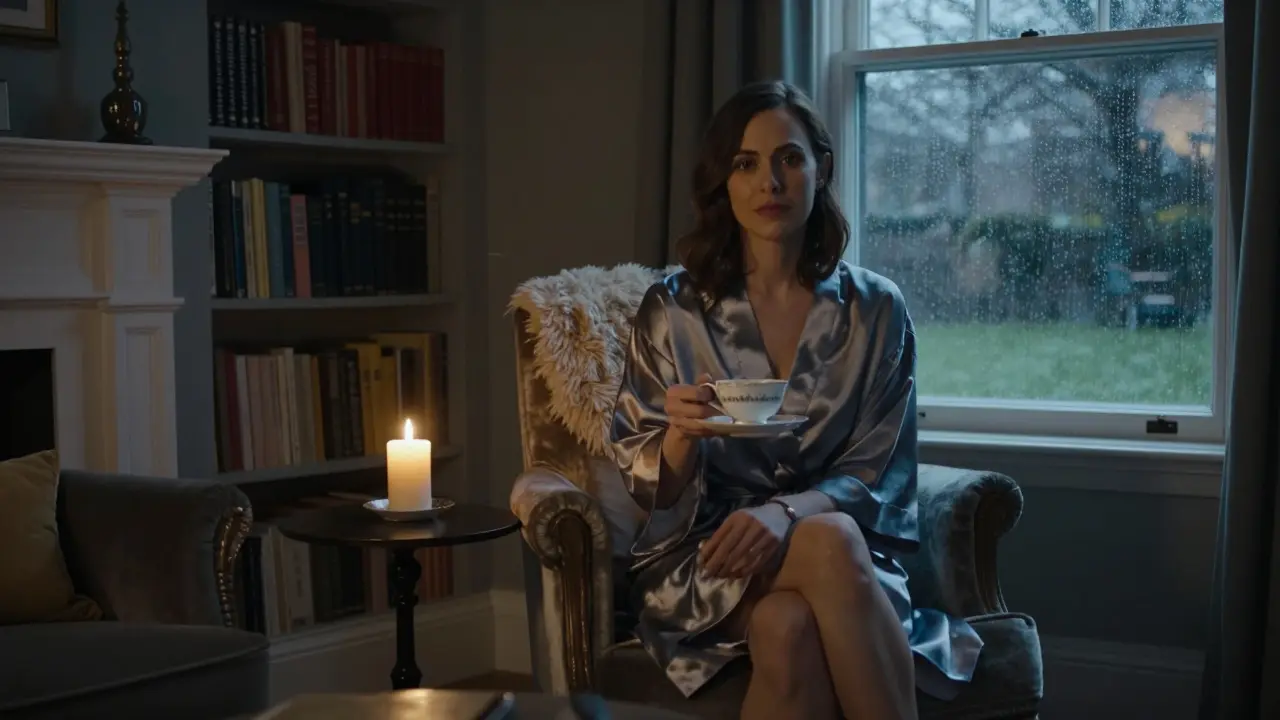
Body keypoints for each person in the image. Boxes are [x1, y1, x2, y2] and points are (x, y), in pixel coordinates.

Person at [610, 80, 982, 720]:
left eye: (789, 158)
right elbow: (653, 489)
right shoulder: (673, 308)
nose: (770, 183)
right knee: (829, 545)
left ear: (821, 168)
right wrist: (679, 434)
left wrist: (784, 512)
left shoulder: (877, 310)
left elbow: (877, 473)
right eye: (745, 164)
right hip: (706, 559)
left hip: (842, 559)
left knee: (790, 622)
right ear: (723, 184)